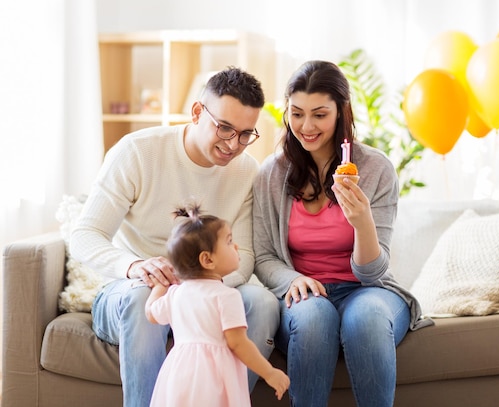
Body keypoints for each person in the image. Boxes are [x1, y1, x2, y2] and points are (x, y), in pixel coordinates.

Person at [70, 66, 280, 407]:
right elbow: (85, 235)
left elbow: (244, 259)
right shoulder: (138, 152)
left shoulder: (246, 171)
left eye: (245, 134)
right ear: (197, 112)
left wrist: (192, 287)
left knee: (263, 303)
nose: (233, 145)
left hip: (205, 295)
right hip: (133, 290)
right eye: (224, 128)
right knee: (141, 299)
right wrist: (137, 266)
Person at [252, 60, 433, 407]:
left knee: (364, 320)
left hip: (367, 290)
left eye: (320, 114)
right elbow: (263, 255)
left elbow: (372, 271)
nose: (306, 126)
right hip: (305, 295)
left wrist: (362, 220)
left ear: (341, 111)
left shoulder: (375, 169)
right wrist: (291, 279)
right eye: (297, 113)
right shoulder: (272, 175)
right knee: (314, 318)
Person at [145, 203, 289, 406]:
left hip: (179, 374)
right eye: (229, 242)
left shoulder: (176, 294)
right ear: (208, 260)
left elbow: (151, 313)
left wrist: (160, 285)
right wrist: (269, 372)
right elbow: (238, 343)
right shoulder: (226, 296)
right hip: (213, 377)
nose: (236, 246)